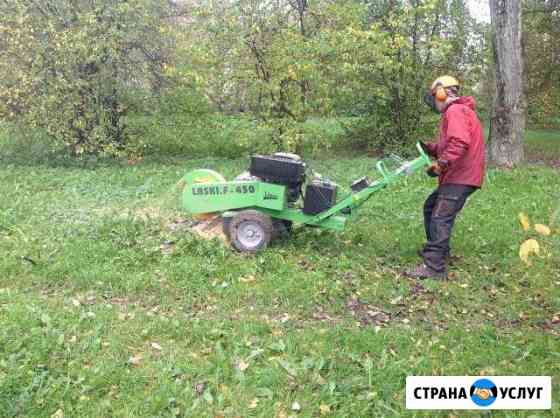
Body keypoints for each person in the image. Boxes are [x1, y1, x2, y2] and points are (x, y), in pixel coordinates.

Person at [404, 75, 485, 279]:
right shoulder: (459, 111)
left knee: (440, 217)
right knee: (431, 207)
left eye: (434, 96)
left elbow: (459, 142)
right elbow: (449, 144)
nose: (434, 101)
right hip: (460, 175)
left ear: (443, 92)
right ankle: (440, 253)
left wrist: (440, 165)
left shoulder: (455, 111)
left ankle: (433, 268)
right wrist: (430, 148)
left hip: (460, 175)